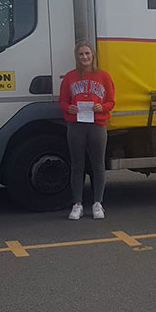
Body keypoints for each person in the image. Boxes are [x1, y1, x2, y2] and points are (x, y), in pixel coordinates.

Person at [59, 40, 115, 220]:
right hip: (76, 126)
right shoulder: (70, 77)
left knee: (98, 165)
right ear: (77, 57)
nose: (84, 57)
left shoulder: (104, 77)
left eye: (87, 54)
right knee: (77, 165)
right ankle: (77, 204)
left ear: (93, 56)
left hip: (97, 126)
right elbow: (62, 101)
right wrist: (69, 109)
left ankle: (98, 203)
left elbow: (111, 101)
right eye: (81, 54)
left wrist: (102, 107)